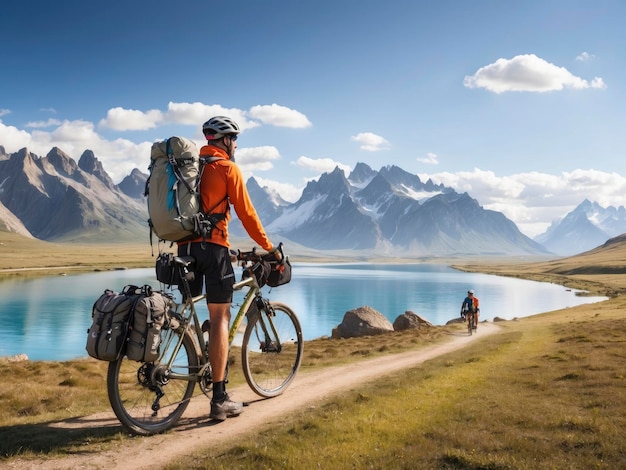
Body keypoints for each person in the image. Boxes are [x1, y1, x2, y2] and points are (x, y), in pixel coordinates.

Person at [177, 115, 277, 422]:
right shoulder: (227, 168)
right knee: (220, 316)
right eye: (234, 140)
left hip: (185, 247)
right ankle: (219, 400)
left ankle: (197, 358)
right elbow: (246, 214)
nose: (235, 146)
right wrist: (269, 248)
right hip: (213, 248)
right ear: (226, 141)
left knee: (192, 310)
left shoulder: (189, 169)